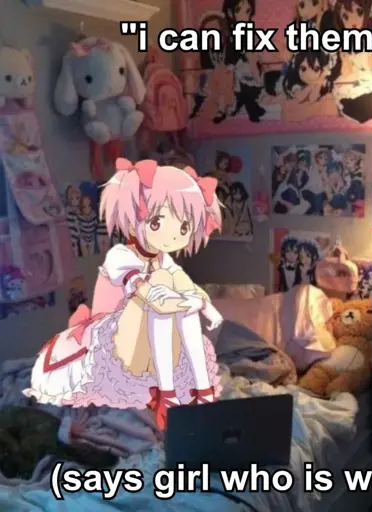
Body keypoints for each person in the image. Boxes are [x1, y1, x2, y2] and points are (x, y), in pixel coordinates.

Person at [24, 159, 224, 431]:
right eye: (158, 222)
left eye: (183, 228)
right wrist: (187, 301)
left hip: (149, 340)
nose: (173, 236)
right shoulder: (121, 256)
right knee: (166, 297)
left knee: (181, 302)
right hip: (117, 340)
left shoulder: (162, 259)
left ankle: (203, 392)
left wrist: (203, 305)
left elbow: (185, 284)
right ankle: (167, 395)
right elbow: (150, 297)